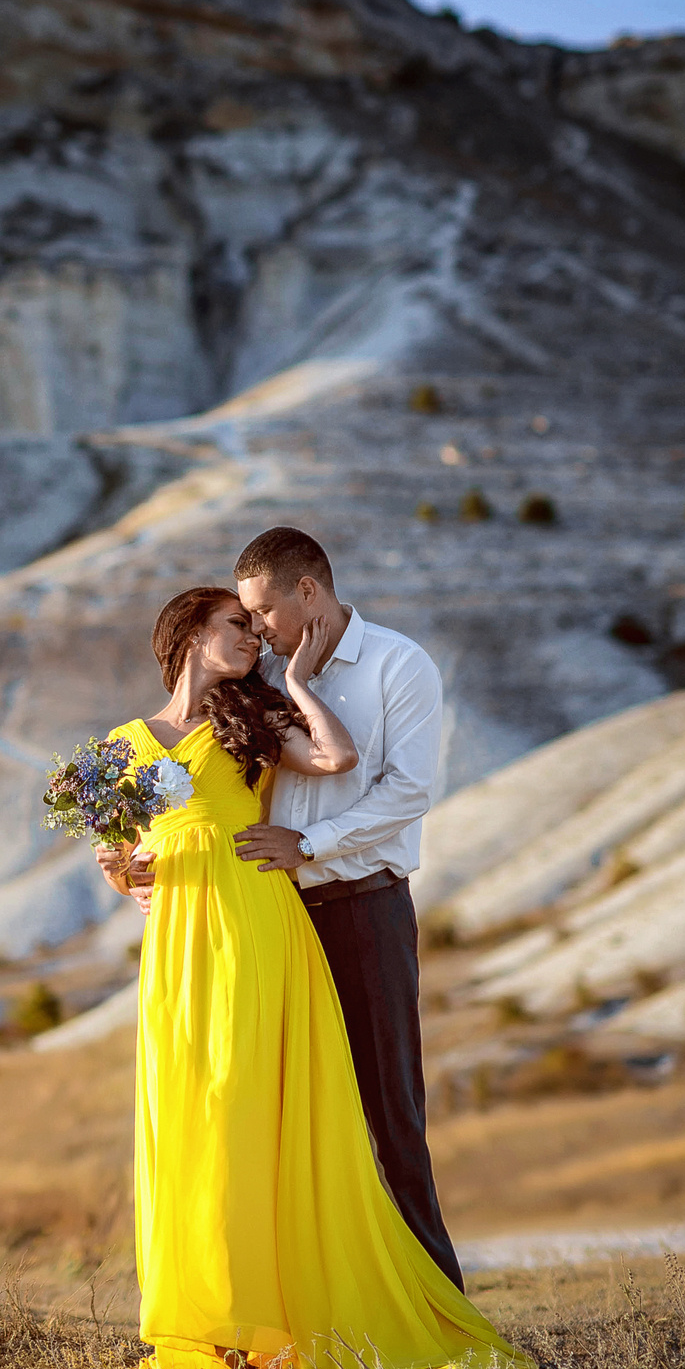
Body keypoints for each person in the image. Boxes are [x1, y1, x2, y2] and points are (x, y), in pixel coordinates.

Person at [91, 584, 530, 1369]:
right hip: (178, 941)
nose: (254, 639)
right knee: (192, 1115)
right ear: (189, 632)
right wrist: (124, 871)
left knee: (243, 1108)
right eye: (237, 626)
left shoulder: (247, 722)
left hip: (253, 918)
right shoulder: (123, 743)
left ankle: (283, 1317)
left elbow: (338, 759)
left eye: (259, 628)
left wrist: (294, 685)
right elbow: (119, 857)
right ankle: (214, 1321)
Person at [231, 525, 464, 1288]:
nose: (257, 629)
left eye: (264, 610)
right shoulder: (262, 679)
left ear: (309, 590)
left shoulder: (400, 664)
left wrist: (311, 841)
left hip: (365, 912)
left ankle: (439, 1307)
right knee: (292, 1120)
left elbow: (409, 790)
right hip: (279, 923)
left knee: (389, 1114)